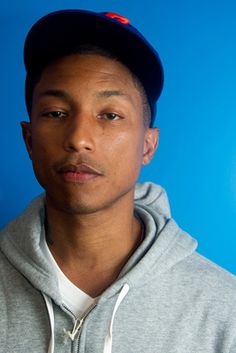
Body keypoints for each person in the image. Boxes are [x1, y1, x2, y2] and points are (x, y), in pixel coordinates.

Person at [0, 9, 235, 353]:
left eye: (109, 115)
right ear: (29, 139)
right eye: (56, 113)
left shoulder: (223, 311)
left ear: (148, 145)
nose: (79, 138)